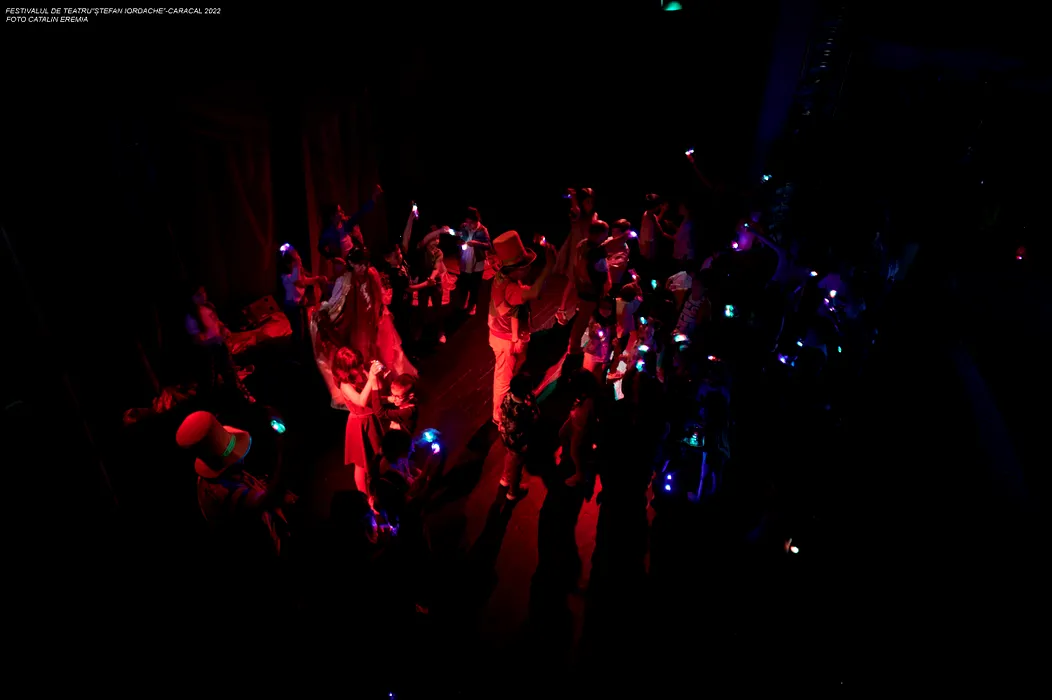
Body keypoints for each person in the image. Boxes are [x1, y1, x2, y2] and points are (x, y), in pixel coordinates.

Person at [176, 411, 295, 556]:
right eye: (236, 453)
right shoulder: (222, 494)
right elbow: (266, 502)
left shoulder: (210, 478)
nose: (242, 457)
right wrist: (283, 455)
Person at [488, 231, 556, 424]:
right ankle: (499, 417)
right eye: (526, 266)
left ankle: (508, 405)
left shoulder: (504, 278)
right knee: (503, 379)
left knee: (511, 372)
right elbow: (533, 293)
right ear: (515, 269)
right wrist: (549, 266)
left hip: (510, 336)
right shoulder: (510, 289)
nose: (529, 268)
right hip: (507, 339)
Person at [184, 285, 255, 404]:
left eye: (203, 292)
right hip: (207, 352)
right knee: (209, 380)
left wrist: (223, 329)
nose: (203, 296)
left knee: (230, 372)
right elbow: (196, 340)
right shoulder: (191, 317)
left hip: (220, 345)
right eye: (198, 295)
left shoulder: (209, 307)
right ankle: (207, 405)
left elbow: (217, 322)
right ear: (191, 298)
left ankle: (241, 397)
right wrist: (213, 340)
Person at [333, 347, 385, 500]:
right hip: (360, 424)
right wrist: (371, 378)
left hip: (371, 419)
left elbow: (377, 389)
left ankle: (378, 489)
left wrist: (376, 375)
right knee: (361, 464)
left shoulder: (361, 372)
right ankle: (365, 497)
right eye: (357, 366)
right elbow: (361, 401)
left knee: (377, 456)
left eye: (360, 363)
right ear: (345, 369)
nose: (361, 367)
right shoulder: (345, 385)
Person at [558, 219, 609, 358]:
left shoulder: (582, 244)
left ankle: (577, 343)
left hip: (583, 287)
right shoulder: (595, 251)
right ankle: (574, 347)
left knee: (584, 316)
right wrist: (600, 284)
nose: (606, 236)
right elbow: (593, 270)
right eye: (605, 233)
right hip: (590, 289)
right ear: (599, 234)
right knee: (583, 319)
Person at [497, 372, 540, 501]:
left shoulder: (508, 397)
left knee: (509, 456)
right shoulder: (522, 409)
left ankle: (505, 478)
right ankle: (513, 492)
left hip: (506, 437)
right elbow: (534, 419)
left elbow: (501, 412)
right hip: (518, 442)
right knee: (517, 466)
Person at [280, 245, 327, 351]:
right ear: (288, 264)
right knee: (298, 330)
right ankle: (296, 351)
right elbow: (299, 282)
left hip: (299, 305)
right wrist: (297, 262)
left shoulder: (294, 275)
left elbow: (304, 281)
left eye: (300, 260)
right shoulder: (286, 277)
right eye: (296, 261)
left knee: (303, 329)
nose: (299, 263)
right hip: (292, 307)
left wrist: (317, 279)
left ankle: (302, 348)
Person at [318, 185, 383, 261]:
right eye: (339, 211)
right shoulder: (328, 232)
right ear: (333, 216)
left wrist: (373, 197)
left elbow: (360, 213)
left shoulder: (345, 224)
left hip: (353, 259)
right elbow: (320, 248)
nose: (343, 212)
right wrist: (333, 258)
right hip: (342, 263)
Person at [455, 206, 491, 315]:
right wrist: (459, 243)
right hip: (465, 260)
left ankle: (472, 305)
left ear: (477, 220)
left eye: (471, 223)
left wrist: (477, 243)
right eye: (467, 222)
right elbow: (459, 239)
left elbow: (488, 246)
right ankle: (463, 302)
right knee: (464, 283)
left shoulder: (482, 230)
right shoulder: (464, 227)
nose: (468, 225)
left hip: (477, 262)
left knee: (474, 286)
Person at [556, 187, 598, 276]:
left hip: (588, 246)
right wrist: (573, 198)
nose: (590, 204)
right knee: (574, 271)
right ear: (582, 202)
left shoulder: (594, 215)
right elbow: (576, 211)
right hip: (576, 245)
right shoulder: (577, 213)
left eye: (591, 202)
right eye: (587, 201)